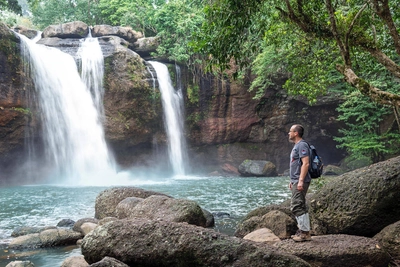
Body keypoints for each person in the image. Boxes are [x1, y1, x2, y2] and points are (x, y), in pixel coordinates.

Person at [288, 124, 312, 242]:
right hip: (296, 180)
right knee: (300, 205)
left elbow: (306, 163)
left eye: (290, 131)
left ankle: (304, 233)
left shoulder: (302, 145)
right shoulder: (297, 146)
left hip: (300, 180)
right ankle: (304, 231)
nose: (289, 133)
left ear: (296, 133)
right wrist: (292, 181)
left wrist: (300, 181)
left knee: (296, 206)